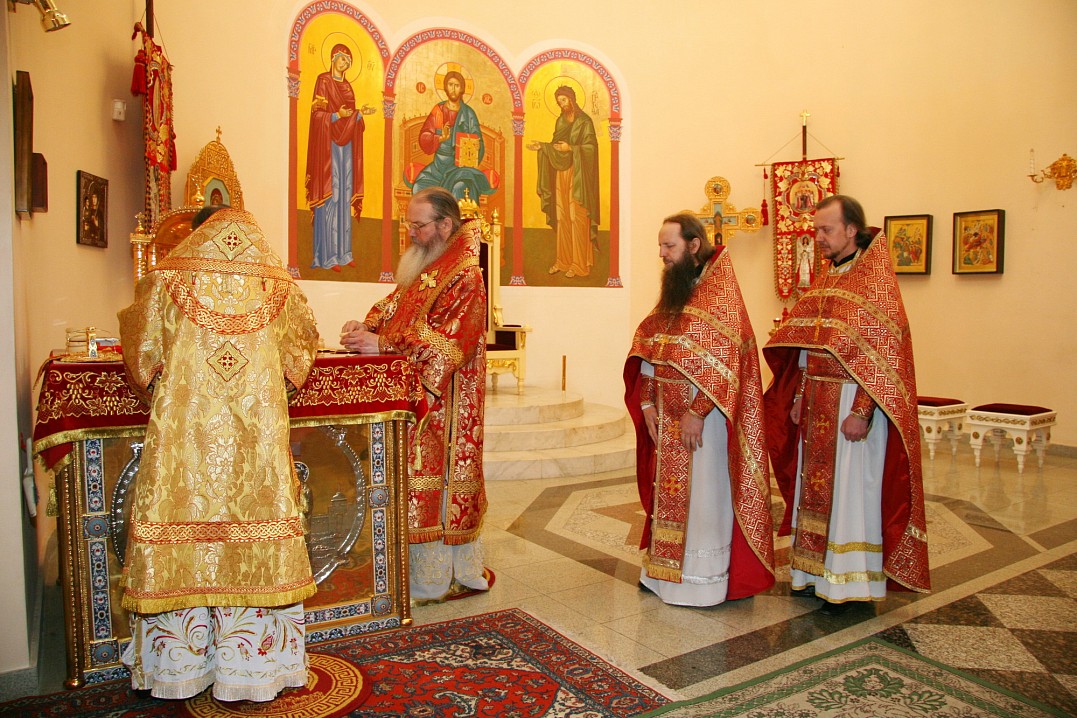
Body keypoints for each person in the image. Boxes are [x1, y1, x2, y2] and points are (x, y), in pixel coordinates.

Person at [117, 205, 321, 700]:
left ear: (198, 231)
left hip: (184, 449)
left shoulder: (166, 279)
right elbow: (301, 357)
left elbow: (140, 355)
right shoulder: (281, 285)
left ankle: (180, 666)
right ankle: (254, 668)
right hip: (257, 450)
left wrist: (165, 391)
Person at [763, 194, 930, 615]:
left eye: (826, 229)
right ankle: (810, 574)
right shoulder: (826, 279)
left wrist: (861, 411)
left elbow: (883, 357)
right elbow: (809, 345)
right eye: (816, 229)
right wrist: (798, 396)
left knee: (850, 492)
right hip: (817, 402)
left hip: (851, 409)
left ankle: (847, 582)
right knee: (814, 490)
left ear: (851, 230)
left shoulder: (873, 283)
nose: (818, 237)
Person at [340, 187, 489, 602]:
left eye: (418, 225)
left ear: (445, 225)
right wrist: (365, 326)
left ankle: (437, 577)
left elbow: (449, 345)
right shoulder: (427, 265)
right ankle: (412, 570)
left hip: (445, 404)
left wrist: (383, 344)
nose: (411, 233)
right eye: (409, 224)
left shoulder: (465, 275)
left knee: (435, 486)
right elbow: (393, 307)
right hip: (413, 397)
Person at [624, 213, 775, 606]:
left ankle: (702, 580)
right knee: (668, 497)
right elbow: (653, 349)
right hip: (667, 417)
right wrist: (646, 402)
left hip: (705, 423)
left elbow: (728, 362)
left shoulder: (719, 295)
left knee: (704, 498)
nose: (662, 254)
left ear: (693, 245)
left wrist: (697, 411)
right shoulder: (676, 293)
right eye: (660, 246)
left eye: (669, 246)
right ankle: (662, 574)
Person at [306, 43, 375, 272]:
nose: (345, 64)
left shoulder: (348, 87)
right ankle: (327, 256)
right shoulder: (323, 81)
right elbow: (317, 115)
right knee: (331, 195)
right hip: (327, 148)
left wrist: (359, 115)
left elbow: (351, 118)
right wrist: (336, 115)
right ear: (333, 58)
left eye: (348, 61)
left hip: (347, 147)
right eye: (342, 59)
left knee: (344, 194)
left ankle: (344, 253)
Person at [528, 85, 600, 278]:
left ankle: (579, 264)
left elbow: (591, 149)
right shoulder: (560, 121)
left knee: (577, 217)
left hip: (579, 176)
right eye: (559, 101)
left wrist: (571, 148)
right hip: (562, 173)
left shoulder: (585, 121)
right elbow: (555, 145)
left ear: (572, 99)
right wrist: (542, 147)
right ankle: (563, 261)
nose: (561, 104)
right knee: (562, 216)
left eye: (564, 100)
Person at [407, 70, 495, 202]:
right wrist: (440, 138)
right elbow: (424, 136)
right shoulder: (438, 111)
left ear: (462, 89)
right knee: (419, 188)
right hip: (438, 168)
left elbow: (479, 142)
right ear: (445, 87)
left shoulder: (468, 114)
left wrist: (475, 146)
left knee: (459, 188)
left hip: (459, 169)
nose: (453, 89)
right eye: (450, 85)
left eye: (457, 85)